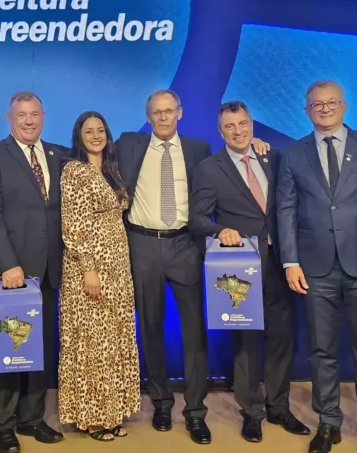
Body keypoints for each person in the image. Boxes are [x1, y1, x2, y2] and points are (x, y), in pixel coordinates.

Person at [276, 80, 357, 453]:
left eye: (331, 102)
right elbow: (286, 210)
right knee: (321, 351)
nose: (325, 108)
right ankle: (328, 422)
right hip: (314, 268)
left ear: (344, 106)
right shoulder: (292, 154)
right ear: (307, 111)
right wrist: (290, 261)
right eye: (317, 104)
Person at [189, 101, 310, 443]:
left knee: (281, 337)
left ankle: (279, 407)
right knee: (246, 343)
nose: (238, 131)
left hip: (282, 262)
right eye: (230, 126)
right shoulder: (209, 169)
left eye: (242, 124)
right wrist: (221, 230)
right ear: (220, 131)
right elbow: (197, 219)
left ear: (251, 124)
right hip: (242, 266)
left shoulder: (274, 158)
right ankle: (252, 412)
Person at [116, 89, 212, 445]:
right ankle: (161, 402)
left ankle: (196, 410)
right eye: (156, 112)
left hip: (184, 244)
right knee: (150, 326)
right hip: (141, 244)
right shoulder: (129, 144)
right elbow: (87, 148)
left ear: (179, 113)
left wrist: (258, 146)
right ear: (148, 116)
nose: (163, 117)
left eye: (169, 111)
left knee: (194, 330)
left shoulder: (200, 149)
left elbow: (224, 170)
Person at [0, 91, 66, 453]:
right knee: (6, 349)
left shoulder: (60, 155)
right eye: (21, 115)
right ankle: (2, 424)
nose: (28, 121)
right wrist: (9, 263)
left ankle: (31, 418)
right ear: (9, 118)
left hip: (49, 272)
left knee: (38, 348)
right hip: (11, 274)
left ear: (44, 116)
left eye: (34, 114)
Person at [58, 111, 141, 442]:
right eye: (89, 131)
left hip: (118, 265)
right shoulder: (74, 171)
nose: (96, 136)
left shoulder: (111, 168)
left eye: (101, 130)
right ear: (79, 137)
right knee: (93, 342)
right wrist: (88, 268)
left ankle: (112, 412)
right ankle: (92, 417)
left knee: (114, 339)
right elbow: (73, 223)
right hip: (90, 266)